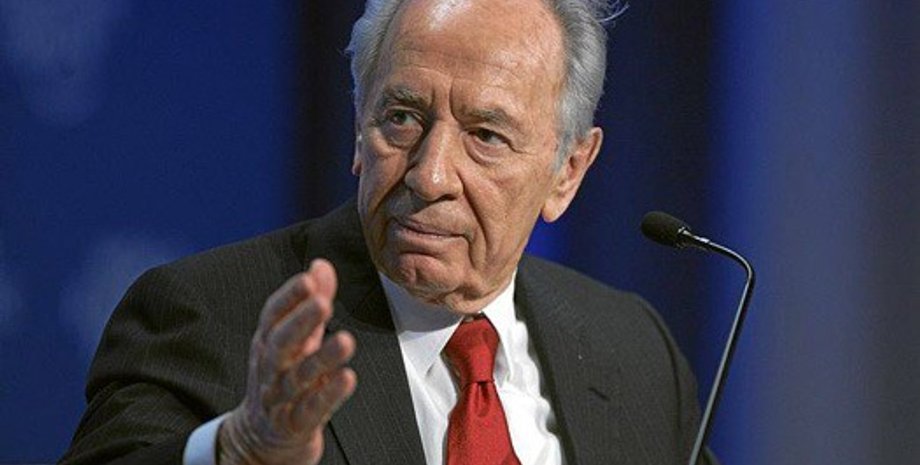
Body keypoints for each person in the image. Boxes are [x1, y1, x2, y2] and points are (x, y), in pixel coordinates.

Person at [60, 0, 713, 464]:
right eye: (401, 117)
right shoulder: (209, 313)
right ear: (358, 126)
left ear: (567, 170)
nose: (430, 175)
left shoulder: (634, 351)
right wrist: (238, 449)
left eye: (486, 136)